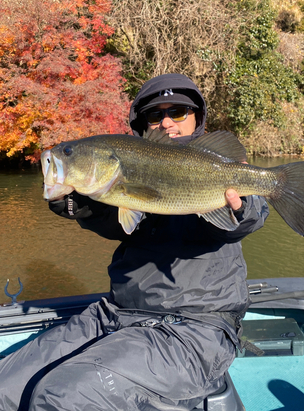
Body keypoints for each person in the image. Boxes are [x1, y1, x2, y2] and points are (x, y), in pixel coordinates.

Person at [0, 73, 269, 411]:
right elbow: (120, 224)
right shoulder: (128, 168)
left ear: (198, 118)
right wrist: (80, 206)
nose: (167, 122)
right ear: (144, 124)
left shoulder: (214, 163)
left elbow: (249, 217)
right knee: (4, 386)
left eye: (179, 112)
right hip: (116, 313)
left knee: (61, 396)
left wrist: (243, 208)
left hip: (195, 330)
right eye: (155, 115)